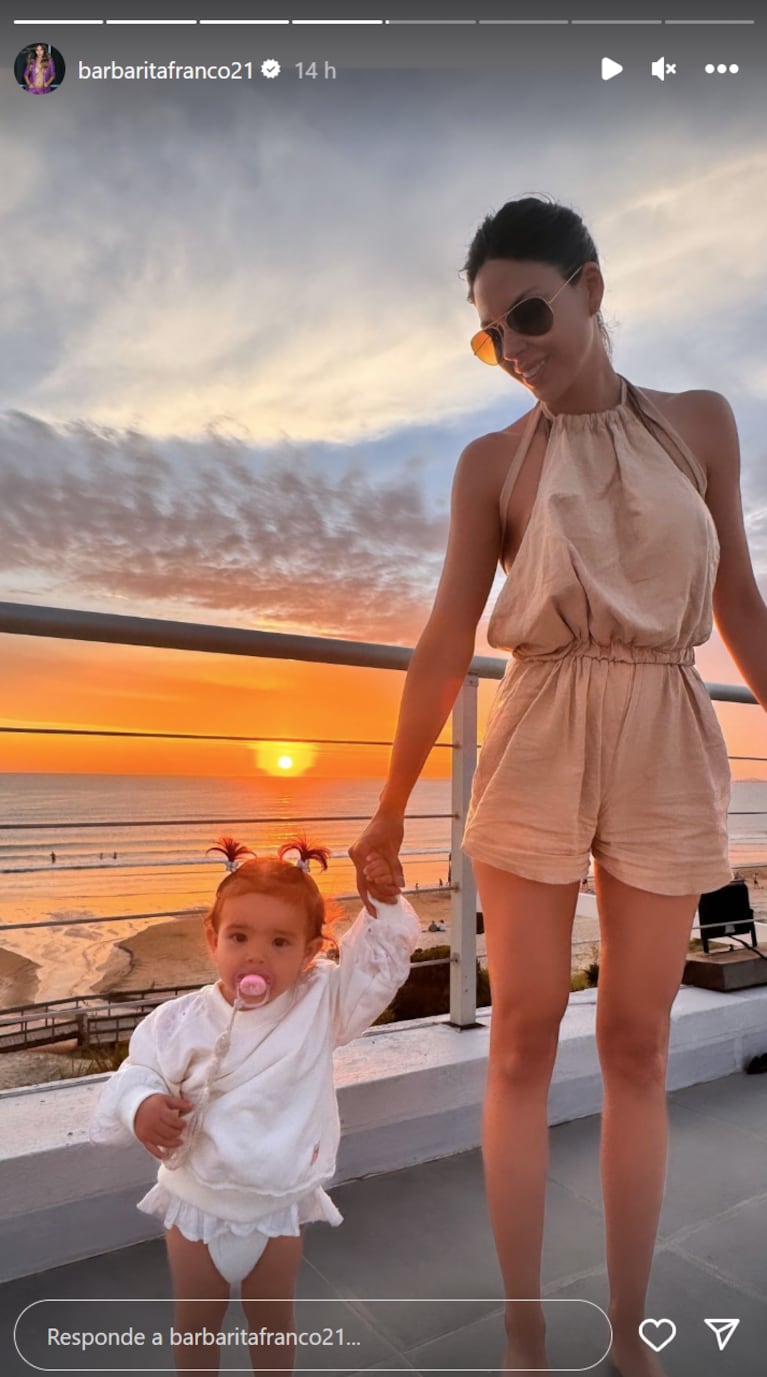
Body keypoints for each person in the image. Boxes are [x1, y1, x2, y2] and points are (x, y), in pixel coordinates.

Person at [349, 196, 767, 1377]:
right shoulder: (490, 462)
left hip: (665, 729)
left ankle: (627, 1335)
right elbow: (445, 638)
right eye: (490, 336)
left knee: (636, 1044)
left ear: (589, 287)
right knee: (519, 1040)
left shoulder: (699, 422)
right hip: (536, 730)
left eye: (527, 315)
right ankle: (526, 1334)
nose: (513, 349)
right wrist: (388, 805)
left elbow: (737, 603)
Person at [90, 835, 420, 1372]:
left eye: (280, 943)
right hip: (196, 1203)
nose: (256, 955)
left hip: (276, 1204)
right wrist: (142, 1105)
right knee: (196, 1325)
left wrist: (381, 905)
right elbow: (140, 1070)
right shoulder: (181, 1021)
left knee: (273, 1322)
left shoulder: (323, 1003)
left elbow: (374, 972)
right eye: (239, 936)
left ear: (311, 953)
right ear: (213, 938)